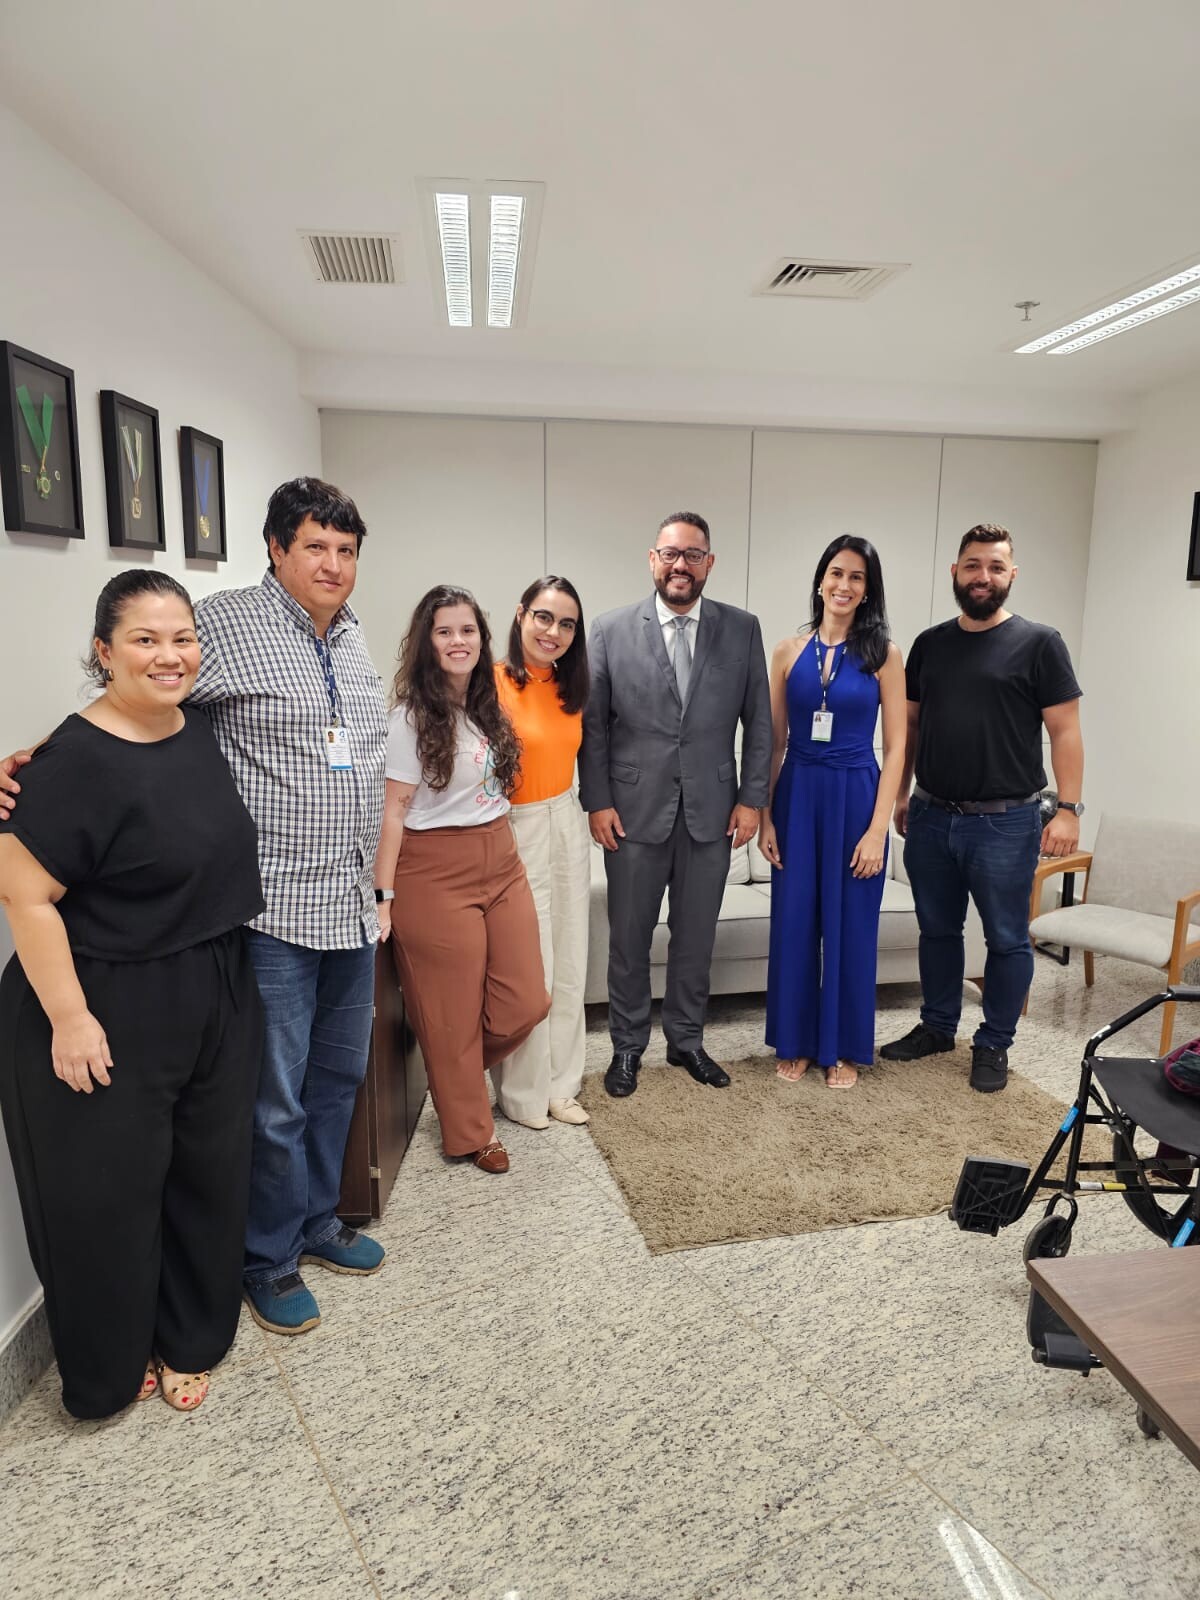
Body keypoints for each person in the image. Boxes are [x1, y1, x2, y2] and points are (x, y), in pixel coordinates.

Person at [0, 481, 389, 1338]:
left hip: (351, 905)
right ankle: (269, 1256)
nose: (333, 564)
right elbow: (140, 699)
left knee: (337, 1081)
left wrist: (382, 888)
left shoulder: (355, 637)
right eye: (315, 546)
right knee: (275, 1101)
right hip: (274, 910)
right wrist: (35, 760)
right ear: (277, 549)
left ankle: (320, 1220)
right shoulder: (224, 627)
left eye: (347, 550)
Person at [0, 572, 264, 1418]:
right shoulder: (69, 761)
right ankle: (111, 1363)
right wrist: (69, 1018)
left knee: (207, 1174)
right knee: (107, 1198)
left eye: (182, 637)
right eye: (146, 640)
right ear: (103, 652)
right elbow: (25, 895)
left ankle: (190, 1333)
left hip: (212, 981)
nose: (170, 655)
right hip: (105, 1001)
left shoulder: (195, 727)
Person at [881, 523, 1084, 1093]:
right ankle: (938, 1026)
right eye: (973, 565)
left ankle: (994, 1042)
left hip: (1006, 820)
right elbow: (911, 725)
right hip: (930, 815)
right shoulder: (929, 644)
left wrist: (1068, 809)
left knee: (1007, 938)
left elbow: (1065, 732)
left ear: (1011, 575)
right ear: (955, 572)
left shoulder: (1041, 643)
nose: (983, 577)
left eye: (995, 567)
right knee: (937, 931)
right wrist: (901, 795)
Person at [580, 512, 772, 1097]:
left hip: (713, 813)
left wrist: (751, 802)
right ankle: (627, 1048)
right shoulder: (610, 631)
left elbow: (759, 722)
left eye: (692, 554)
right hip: (632, 816)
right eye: (670, 554)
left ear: (709, 563)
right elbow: (594, 729)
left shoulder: (741, 629)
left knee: (696, 937)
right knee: (629, 938)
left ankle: (687, 1041)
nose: (680, 564)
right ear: (652, 559)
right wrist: (597, 801)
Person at [375, 586, 549, 1172]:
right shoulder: (407, 718)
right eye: (444, 631)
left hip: (500, 856)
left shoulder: (488, 703)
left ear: (482, 638)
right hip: (432, 870)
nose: (458, 641)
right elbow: (392, 812)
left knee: (526, 999)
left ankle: (452, 1068)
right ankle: (472, 1132)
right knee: (449, 1013)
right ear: (427, 642)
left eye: (467, 630)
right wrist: (384, 896)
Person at [758, 536, 906, 1088]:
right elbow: (772, 744)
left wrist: (877, 831)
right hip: (798, 792)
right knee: (795, 923)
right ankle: (794, 1041)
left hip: (855, 796)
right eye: (837, 573)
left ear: (868, 591)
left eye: (857, 578)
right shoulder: (786, 651)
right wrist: (768, 817)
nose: (844, 586)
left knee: (850, 929)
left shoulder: (884, 654)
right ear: (821, 580)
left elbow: (895, 749)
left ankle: (844, 1048)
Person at [492, 577, 593, 1129]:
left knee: (571, 960)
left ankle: (562, 1085)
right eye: (544, 617)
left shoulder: (573, 689)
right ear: (521, 615)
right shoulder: (490, 683)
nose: (553, 632)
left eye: (567, 624)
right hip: (514, 828)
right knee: (529, 969)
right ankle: (523, 1094)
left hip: (566, 821)